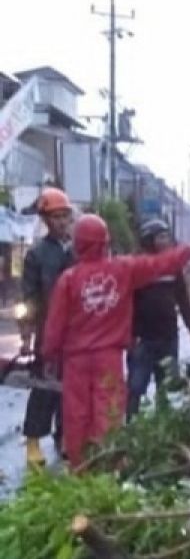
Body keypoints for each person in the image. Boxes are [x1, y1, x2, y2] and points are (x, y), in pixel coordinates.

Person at [41, 214, 190, 470]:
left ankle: (80, 469)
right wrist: (186, 251)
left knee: (76, 414)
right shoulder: (123, 269)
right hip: (108, 358)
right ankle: (108, 467)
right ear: (105, 242)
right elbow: (159, 264)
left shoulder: (68, 280)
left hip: (75, 361)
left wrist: (49, 356)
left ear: (78, 244)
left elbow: (54, 325)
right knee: (109, 412)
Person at [18, 187, 75, 467]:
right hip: (47, 332)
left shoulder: (79, 250)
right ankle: (32, 441)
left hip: (76, 334)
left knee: (70, 390)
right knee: (44, 388)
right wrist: (27, 334)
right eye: (55, 216)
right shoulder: (37, 255)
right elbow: (29, 297)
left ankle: (64, 437)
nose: (61, 222)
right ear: (45, 219)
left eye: (65, 216)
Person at [127, 219, 190, 420]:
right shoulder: (138, 267)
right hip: (143, 338)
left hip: (168, 336)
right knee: (136, 386)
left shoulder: (173, 267)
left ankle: (164, 423)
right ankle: (130, 423)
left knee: (167, 385)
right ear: (149, 240)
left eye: (167, 236)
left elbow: (182, 297)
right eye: (161, 237)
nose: (166, 241)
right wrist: (129, 335)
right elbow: (127, 303)